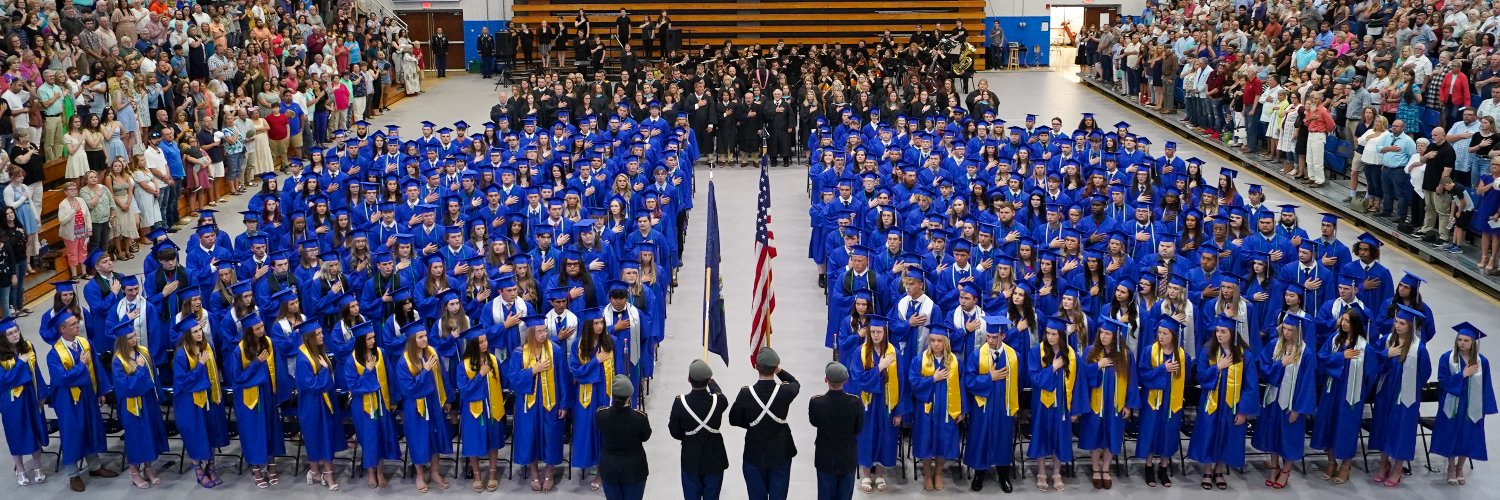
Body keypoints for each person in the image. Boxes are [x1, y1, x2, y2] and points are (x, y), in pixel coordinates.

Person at [45, 311, 119, 491]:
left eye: (76, 322)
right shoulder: (54, 354)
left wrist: (100, 391)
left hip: (87, 395)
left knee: (91, 428)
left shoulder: (85, 343)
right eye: (72, 324)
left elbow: (97, 367)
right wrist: (81, 366)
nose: (78, 325)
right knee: (72, 434)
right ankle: (73, 475)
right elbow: (62, 379)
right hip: (68, 401)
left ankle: (94, 467)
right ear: (62, 329)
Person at [1187, 316, 1260, 491]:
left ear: (1233, 334)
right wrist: (1217, 367)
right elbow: (1200, 376)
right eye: (1217, 331)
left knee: (1226, 435)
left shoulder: (1244, 356)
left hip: (1231, 406)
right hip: (1211, 403)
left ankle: (1218, 471)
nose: (1218, 335)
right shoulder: (1208, 351)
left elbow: (1251, 386)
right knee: (1208, 434)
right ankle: (1207, 470)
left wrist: (1243, 412)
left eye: (1223, 331)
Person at [1369, 305, 1431, 488]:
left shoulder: (1418, 349)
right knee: (1383, 426)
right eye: (1396, 321)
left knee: (1402, 429)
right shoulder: (1387, 341)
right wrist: (1386, 355)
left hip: (1406, 397)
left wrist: (1407, 383)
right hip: (1385, 392)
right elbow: (1373, 361)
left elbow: (1425, 373)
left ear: (1410, 326)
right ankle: (1383, 464)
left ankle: (1397, 468)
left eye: (1402, 323)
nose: (1397, 326)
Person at [1254, 315, 1317, 489]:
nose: (1287, 333)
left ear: (1298, 332)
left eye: (1291, 330)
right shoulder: (1275, 345)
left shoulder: (1306, 353)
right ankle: (1274, 467)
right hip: (1274, 400)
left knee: (1289, 438)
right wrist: (1281, 364)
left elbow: (1308, 383)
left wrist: (1298, 409)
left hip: (1292, 404)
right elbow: (1264, 370)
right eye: (1285, 329)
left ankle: (1286, 470)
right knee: (1273, 434)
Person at [729, 347, 800, 500]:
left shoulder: (746, 394)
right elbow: (795, 383)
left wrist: (752, 423)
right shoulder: (785, 391)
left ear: (756, 367)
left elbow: (733, 419)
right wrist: (779, 371)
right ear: (775, 368)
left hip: (754, 454)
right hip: (781, 452)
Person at [508, 314, 568, 492]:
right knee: (530, 437)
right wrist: (532, 371)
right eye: (539, 331)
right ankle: (534, 472)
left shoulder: (555, 350)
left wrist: (564, 404)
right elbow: (512, 379)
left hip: (550, 403)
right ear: (531, 333)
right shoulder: (519, 353)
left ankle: (549, 473)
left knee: (551, 436)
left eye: (545, 330)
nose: (543, 334)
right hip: (528, 403)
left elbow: (563, 378)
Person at [1432, 322, 1497, 486]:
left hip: (1471, 406)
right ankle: (1451, 467)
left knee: (1467, 436)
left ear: (1473, 342)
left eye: (1466, 340)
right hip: (1452, 405)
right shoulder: (1447, 358)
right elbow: (1443, 381)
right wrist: (1463, 374)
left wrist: (1485, 407)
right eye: (1460, 339)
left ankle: (1461, 467)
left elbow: (1486, 385)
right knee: (1451, 435)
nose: (1462, 343)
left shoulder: (1483, 362)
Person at [226, 312, 286, 488]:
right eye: (258, 328)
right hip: (249, 400)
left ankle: (271, 464)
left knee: (270, 429)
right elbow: (237, 378)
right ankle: (257, 469)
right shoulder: (240, 350)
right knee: (254, 433)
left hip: (267, 394)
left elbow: (278, 369)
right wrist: (256, 364)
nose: (262, 330)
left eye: (262, 327)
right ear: (249, 331)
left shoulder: (269, 343)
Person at [1079, 318, 1138, 490]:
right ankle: (1095, 469)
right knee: (1095, 436)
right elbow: (1081, 376)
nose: (1103, 336)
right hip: (1095, 404)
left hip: (1115, 405)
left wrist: (1128, 405)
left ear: (1116, 336)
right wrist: (1098, 365)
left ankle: (1106, 469)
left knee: (1113, 435)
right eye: (1101, 333)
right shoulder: (1091, 352)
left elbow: (1132, 381)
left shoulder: (1126, 356)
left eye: (1107, 333)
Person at [340, 321, 400, 489]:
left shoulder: (380, 353)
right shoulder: (352, 361)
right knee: (368, 439)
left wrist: (393, 400)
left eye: (373, 337)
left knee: (380, 436)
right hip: (363, 407)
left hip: (381, 403)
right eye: (369, 339)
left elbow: (389, 376)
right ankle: (371, 472)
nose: (373, 341)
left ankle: (380, 472)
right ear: (360, 341)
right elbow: (353, 386)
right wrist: (367, 370)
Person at [847, 314, 904, 491]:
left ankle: (880, 475)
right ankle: (866, 474)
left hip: (887, 404)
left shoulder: (894, 353)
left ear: (885, 332)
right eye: (872, 332)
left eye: (879, 332)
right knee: (866, 437)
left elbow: (902, 383)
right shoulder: (860, 352)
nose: (876, 335)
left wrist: (899, 411)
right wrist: (879, 367)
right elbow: (858, 379)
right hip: (867, 405)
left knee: (885, 437)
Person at [110, 322, 169, 489]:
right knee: (136, 438)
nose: (134, 339)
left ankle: (149, 469)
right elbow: (126, 387)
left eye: (134, 335)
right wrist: (141, 371)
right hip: (131, 406)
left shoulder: (143, 352)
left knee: (149, 435)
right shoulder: (118, 360)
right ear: (122, 340)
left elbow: (153, 377)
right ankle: (134, 474)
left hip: (148, 400)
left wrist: (158, 395)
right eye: (129, 337)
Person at [172, 318, 228, 488]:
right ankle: (198, 470)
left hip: (210, 398)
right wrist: (199, 365)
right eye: (195, 331)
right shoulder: (182, 354)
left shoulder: (207, 347)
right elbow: (182, 383)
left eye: (199, 330)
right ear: (188, 334)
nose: (199, 333)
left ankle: (211, 468)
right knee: (196, 435)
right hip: (190, 402)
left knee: (212, 432)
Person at [395, 322, 452, 493]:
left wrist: (448, 399)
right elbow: (408, 389)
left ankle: (434, 472)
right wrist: (425, 371)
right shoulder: (403, 362)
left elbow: (443, 377)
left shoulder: (432, 353)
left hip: (434, 402)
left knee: (435, 436)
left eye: (425, 336)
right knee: (418, 439)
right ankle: (420, 474)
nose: (425, 339)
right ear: (412, 340)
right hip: (416, 407)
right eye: (420, 337)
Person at [1028, 316, 1080, 491]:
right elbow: (1034, 379)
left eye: (1054, 333)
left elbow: (1078, 384)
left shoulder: (1071, 354)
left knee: (1060, 436)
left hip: (1063, 405)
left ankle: (1056, 472)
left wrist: (1075, 410)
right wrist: (1053, 368)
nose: (1050, 337)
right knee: (1042, 434)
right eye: (1048, 333)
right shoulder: (1037, 351)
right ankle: (1041, 471)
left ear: (1061, 335)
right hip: (1042, 403)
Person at [1136, 316, 1188, 487]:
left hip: (1172, 402)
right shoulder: (1148, 351)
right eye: (1159, 332)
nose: (1161, 336)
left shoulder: (1183, 356)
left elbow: (1185, 379)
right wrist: (1162, 369)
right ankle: (1149, 467)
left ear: (1173, 335)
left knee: (1169, 433)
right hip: (1152, 401)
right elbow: (1142, 375)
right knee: (1151, 431)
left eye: (1165, 333)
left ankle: (1164, 468)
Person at [910, 325, 963, 491]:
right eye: (932, 340)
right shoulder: (919, 360)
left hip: (947, 410)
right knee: (926, 440)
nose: (935, 344)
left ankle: (939, 473)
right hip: (926, 409)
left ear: (946, 342)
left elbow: (962, 387)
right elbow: (913, 383)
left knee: (943, 441)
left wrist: (961, 410)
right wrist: (933, 378)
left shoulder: (955, 362)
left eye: (939, 340)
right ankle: (927, 473)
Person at [294, 321, 345, 491]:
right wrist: (324, 370)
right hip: (312, 405)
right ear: (309, 338)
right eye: (318, 334)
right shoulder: (302, 359)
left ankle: (325, 473)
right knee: (315, 437)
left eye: (321, 332)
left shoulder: (319, 353)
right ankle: (317, 472)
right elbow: (313, 385)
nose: (322, 335)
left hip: (325, 402)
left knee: (326, 437)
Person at [669, 359, 729, 500]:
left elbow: (674, 431)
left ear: (689, 380)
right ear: (708, 380)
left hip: (691, 457)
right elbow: (718, 392)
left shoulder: (680, 403)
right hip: (714, 457)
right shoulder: (719, 401)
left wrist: (687, 437)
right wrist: (711, 382)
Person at [457, 325, 506, 493]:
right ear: (472, 345)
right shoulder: (462, 365)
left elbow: (502, 383)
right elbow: (464, 391)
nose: (485, 344)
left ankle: (492, 474)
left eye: (485, 341)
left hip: (492, 408)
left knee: (493, 442)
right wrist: (480, 375)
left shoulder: (493, 359)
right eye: (480, 342)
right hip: (473, 410)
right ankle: (477, 476)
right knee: (473, 442)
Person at [0, 317, 48, 487]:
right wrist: (20, 363)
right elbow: (4, 380)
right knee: (15, 433)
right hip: (10, 401)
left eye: (16, 331)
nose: (14, 335)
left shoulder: (27, 347)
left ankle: (37, 466)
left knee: (35, 430)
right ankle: (20, 469)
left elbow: (36, 371)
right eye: (9, 333)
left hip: (30, 395)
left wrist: (42, 391)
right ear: (3, 337)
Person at [808, 361, 863, 500]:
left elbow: (814, 422)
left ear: (826, 379)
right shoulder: (855, 402)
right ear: (845, 380)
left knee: (825, 495)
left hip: (825, 458)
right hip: (847, 457)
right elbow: (859, 428)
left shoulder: (816, 402)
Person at [596, 374, 651, 500]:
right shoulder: (640, 418)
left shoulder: (601, 415)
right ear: (630, 396)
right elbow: (645, 436)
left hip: (609, 468)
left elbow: (598, 429)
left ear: (613, 395)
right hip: (634, 470)